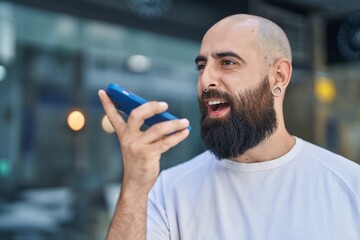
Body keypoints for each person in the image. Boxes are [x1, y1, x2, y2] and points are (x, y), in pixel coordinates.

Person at [98, 14, 360, 240]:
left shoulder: (350, 185)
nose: (205, 80)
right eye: (202, 66)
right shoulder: (170, 189)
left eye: (228, 62)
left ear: (278, 76)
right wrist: (134, 184)